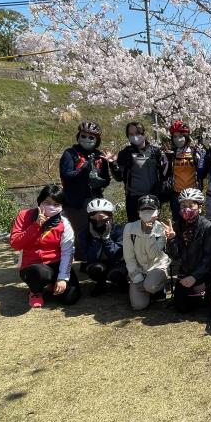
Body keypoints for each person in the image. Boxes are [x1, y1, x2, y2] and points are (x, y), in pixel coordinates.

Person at [9, 184, 81, 308]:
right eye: (47, 202)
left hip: (55, 263)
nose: (51, 207)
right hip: (32, 266)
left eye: (56, 204)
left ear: (61, 207)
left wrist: (63, 278)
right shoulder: (24, 215)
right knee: (41, 273)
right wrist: (36, 226)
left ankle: (52, 283)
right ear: (39, 201)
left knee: (70, 297)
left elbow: (67, 252)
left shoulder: (64, 223)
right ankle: (35, 291)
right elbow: (15, 244)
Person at [59, 121, 112, 253]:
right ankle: (81, 259)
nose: (87, 139)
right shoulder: (70, 153)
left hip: (95, 200)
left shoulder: (100, 156)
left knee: (97, 228)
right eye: (83, 136)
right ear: (78, 136)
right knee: (80, 231)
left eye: (91, 137)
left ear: (97, 140)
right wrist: (84, 169)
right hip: (76, 201)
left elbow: (106, 178)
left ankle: (95, 257)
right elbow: (66, 175)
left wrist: (100, 182)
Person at [165, 188, 211, 313]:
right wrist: (171, 239)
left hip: (203, 273)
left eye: (190, 205)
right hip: (185, 272)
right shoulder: (176, 226)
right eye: (183, 205)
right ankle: (195, 293)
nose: (186, 208)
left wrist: (195, 277)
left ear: (199, 207)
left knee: (206, 305)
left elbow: (208, 257)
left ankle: (206, 289)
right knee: (181, 307)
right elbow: (176, 256)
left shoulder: (208, 227)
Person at [110, 121, 167, 222]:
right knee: (135, 230)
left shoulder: (156, 152)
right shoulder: (125, 153)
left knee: (154, 229)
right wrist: (113, 163)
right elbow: (118, 177)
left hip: (153, 196)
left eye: (137, 133)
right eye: (131, 134)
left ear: (144, 133)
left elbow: (164, 173)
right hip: (133, 198)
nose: (135, 136)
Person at [122, 195, 171, 311]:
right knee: (138, 306)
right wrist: (137, 277)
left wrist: (148, 234)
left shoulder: (161, 229)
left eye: (151, 209)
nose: (147, 212)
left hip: (156, 266)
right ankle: (146, 288)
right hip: (139, 269)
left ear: (157, 212)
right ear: (139, 212)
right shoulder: (129, 228)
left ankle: (157, 288)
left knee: (150, 286)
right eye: (144, 209)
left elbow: (153, 255)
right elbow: (129, 256)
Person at [79, 198, 126, 297]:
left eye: (104, 219)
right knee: (95, 269)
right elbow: (89, 258)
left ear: (111, 217)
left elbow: (118, 254)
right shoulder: (84, 233)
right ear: (89, 218)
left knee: (116, 274)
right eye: (95, 218)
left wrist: (106, 239)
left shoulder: (119, 230)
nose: (100, 222)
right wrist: (95, 238)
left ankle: (121, 281)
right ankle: (101, 283)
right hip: (98, 264)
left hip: (116, 263)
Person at [163, 119, 205, 222]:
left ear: (186, 137)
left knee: (193, 221)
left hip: (192, 193)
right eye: (175, 136)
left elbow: (201, 172)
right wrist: (167, 159)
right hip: (176, 193)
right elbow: (164, 173)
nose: (178, 139)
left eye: (181, 136)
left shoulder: (195, 152)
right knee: (178, 222)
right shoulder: (170, 153)